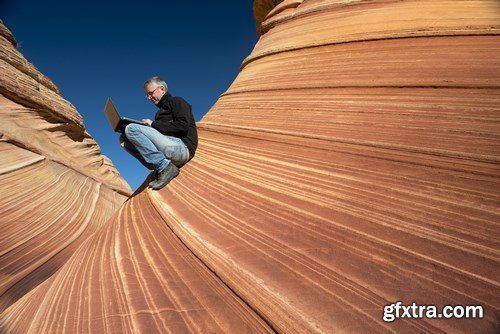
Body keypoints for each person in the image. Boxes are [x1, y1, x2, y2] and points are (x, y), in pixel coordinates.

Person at [119, 76, 198, 190]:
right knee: (123, 138)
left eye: (151, 93)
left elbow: (182, 126)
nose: (149, 97)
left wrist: (153, 125)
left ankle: (165, 168)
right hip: (169, 149)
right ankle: (159, 165)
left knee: (131, 129)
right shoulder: (159, 113)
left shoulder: (177, 101)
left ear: (162, 89)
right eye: (147, 95)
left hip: (183, 148)